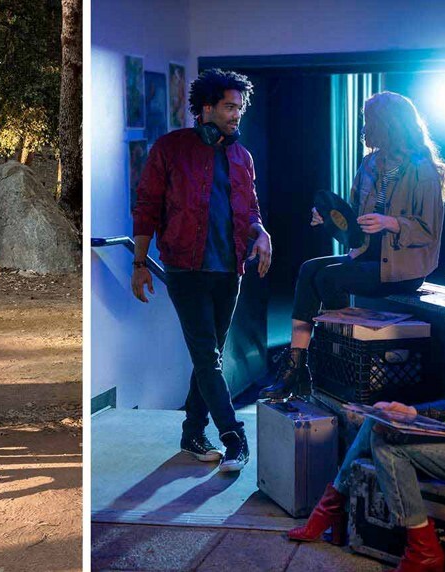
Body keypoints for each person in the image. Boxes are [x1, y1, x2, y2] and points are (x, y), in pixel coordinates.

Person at [287, 239, 445, 572]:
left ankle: (423, 550)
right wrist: (415, 414)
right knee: (379, 420)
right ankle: (331, 509)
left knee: (387, 448)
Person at [262, 91, 445, 399]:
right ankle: (296, 365)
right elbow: (350, 220)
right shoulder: (369, 164)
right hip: (367, 255)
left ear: (389, 123)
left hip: (404, 266)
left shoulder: (422, 170)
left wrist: (390, 223)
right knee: (310, 269)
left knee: (329, 277)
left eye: (369, 120)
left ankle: (338, 355)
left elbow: (429, 230)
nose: (365, 127)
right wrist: (325, 217)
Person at [132, 68, 273, 472]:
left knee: (207, 356)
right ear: (206, 108)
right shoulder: (170, 149)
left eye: (240, 108)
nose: (236, 115)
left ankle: (193, 431)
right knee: (208, 358)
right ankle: (235, 438)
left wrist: (262, 234)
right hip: (185, 269)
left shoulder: (241, 156)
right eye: (230, 107)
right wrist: (140, 263)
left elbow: (251, 211)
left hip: (230, 270)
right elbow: (146, 209)